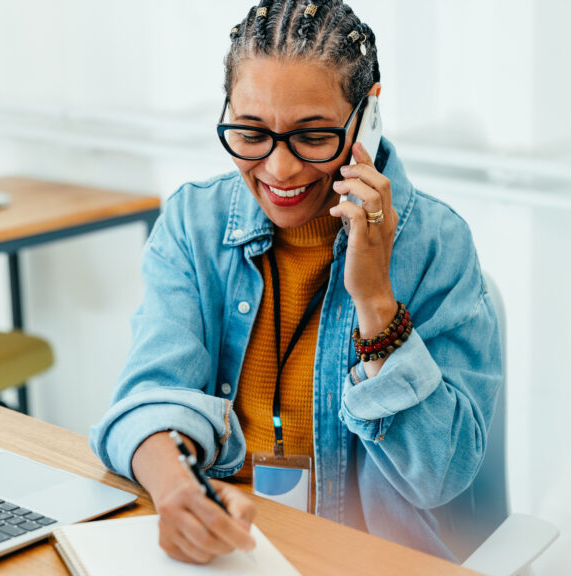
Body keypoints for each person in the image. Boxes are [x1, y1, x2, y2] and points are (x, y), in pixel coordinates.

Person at [89, 0, 502, 564]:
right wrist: (179, 491)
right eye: (252, 132)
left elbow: (440, 477)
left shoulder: (437, 244)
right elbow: (148, 399)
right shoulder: (194, 224)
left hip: (363, 558)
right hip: (233, 550)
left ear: (368, 115)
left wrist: (376, 302)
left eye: (312, 136)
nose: (280, 171)